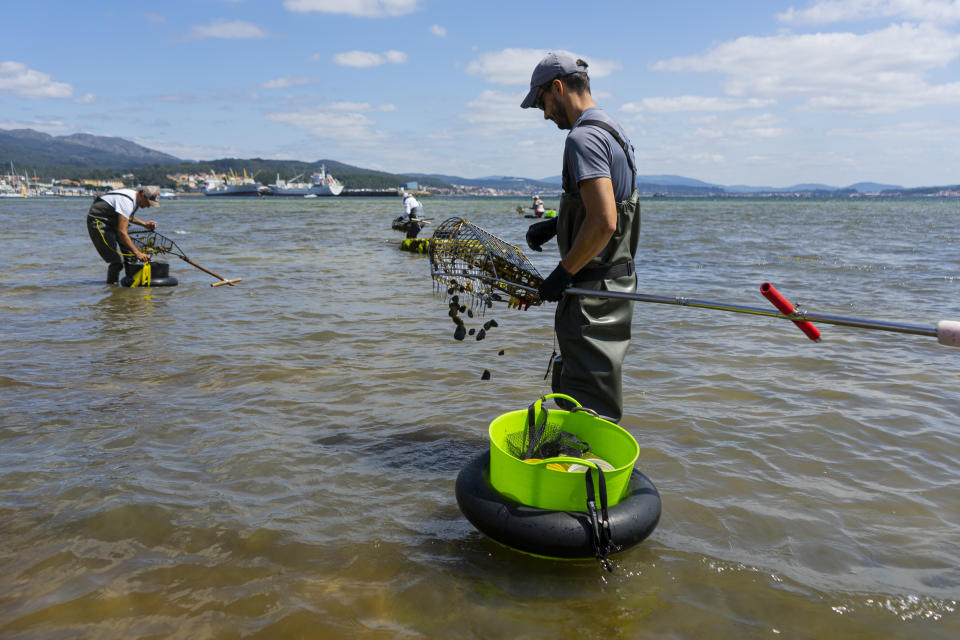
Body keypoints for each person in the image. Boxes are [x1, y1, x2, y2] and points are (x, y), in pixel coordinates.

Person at [521, 51, 641, 423]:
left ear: (557, 88)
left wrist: (563, 272)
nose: (544, 114)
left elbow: (604, 222)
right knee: (590, 393)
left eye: (542, 102)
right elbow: (609, 208)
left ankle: (587, 475)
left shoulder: (583, 138)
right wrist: (557, 225)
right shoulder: (611, 129)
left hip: (592, 296)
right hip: (612, 286)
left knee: (588, 407)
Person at [86, 186, 160, 284]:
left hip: (114, 221)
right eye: (149, 203)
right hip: (99, 222)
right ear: (142, 195)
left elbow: (128, 217)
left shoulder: (135, 199)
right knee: (117, 261)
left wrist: (144, 224)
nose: (148, 206)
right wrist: (138, 253)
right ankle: (112, 289)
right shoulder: (127, 201)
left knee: (130, 256)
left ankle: (129, 286)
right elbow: (122, 232)